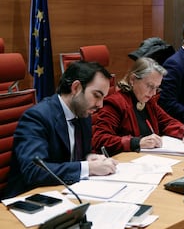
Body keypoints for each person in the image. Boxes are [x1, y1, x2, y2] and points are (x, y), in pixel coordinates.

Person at [4, 61, 118, 198]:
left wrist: (91, 158)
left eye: (103, 98)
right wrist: (88, 168)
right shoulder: (37, 117)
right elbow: (34, 171)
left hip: (66, 191)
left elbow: (74, 157)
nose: (100, 105)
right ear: (76, 88)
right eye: (96, 96)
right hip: (29, 199)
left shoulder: (83, 113)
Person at [92, 57, 184, 156]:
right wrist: (136, 142)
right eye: (150, 86)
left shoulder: (148, 102)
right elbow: (100, 139)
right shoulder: (115, 104)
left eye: (157, 88)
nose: (153, 93)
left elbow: (166, 122)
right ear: (133, 79)